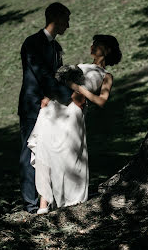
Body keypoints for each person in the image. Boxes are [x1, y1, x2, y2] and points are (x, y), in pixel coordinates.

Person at [27, 35, 122, 214]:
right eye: (92, 43)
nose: (92, 46)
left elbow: (101, 101)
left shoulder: (106, 76)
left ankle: (68, 199)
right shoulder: (80, 67)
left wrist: (79, 89)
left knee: (67, 155)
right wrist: (48, 97)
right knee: (45, 149)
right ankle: (43, 205)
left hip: (73, 115)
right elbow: (59, 84)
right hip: (54, 110)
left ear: (107, 50)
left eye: (97, 44)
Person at [18, 2, 84, 213]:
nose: (69, 25)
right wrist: (69, 97)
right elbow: (43, 75)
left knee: (47, 152)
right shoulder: (32, 43)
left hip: (50, 107)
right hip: (33, 104)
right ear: (56, 18)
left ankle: (46, 197)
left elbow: (56, 76)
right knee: (30, 151)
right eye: (67, 19)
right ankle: (30, 203)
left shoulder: (56, 47)